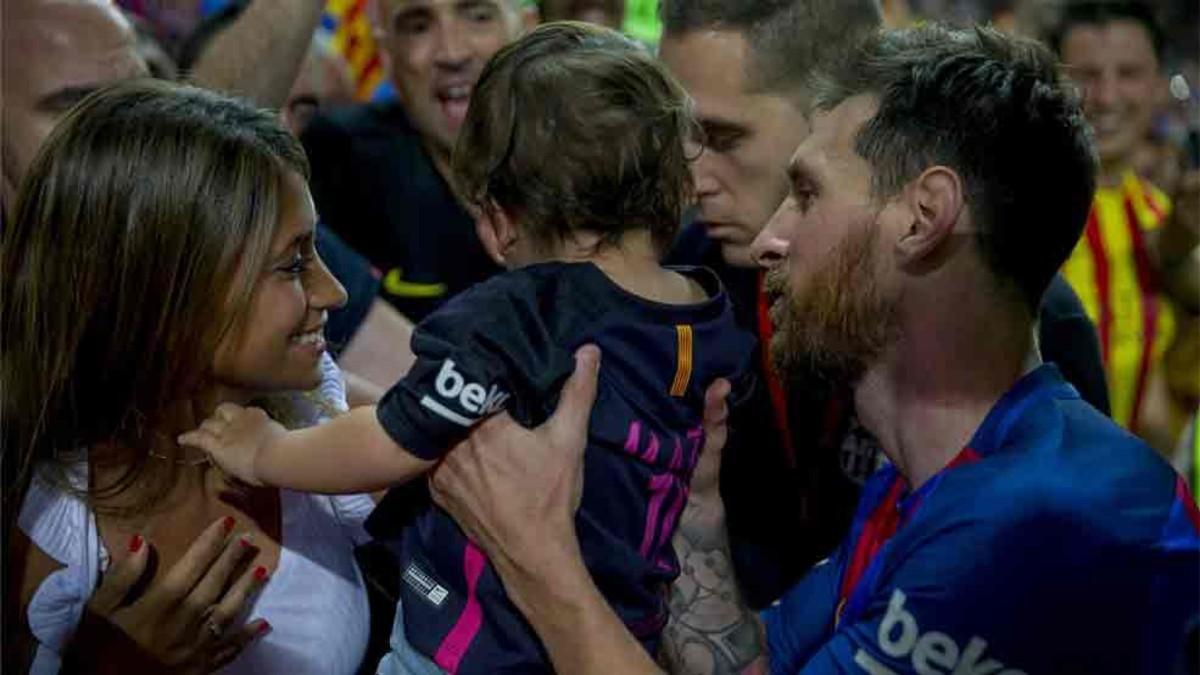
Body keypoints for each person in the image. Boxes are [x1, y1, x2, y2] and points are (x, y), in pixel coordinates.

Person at [428, 24, 1200, 674]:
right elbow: (754, 663)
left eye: (807, 194)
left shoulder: (1035, 519)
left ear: (922, 216)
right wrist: (691, 511)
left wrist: (534, 552)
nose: (770, 239)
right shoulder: (925, 482)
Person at [181, 23, 753, 674]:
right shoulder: (708, 319)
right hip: (624, 637)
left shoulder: (518, 318)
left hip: (473, 649)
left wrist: (267, 449)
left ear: (500, 222)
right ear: (680, 186)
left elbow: (394, 441)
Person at [656, 0, 1111, 610]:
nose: (692, 178)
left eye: (721, 137)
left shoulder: (1022, 319)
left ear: (834, 113)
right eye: (681, 139)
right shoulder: (686, 280)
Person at [4, 80, 376, 674]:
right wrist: (106, 665)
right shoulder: (42, 532)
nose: (334, 290)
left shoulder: (312, 408)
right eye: (293, 263)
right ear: (165, 294)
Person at [300, 0, 537, 322]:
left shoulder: (600, 159)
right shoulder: (335, 163)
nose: (452, 53)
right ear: (386, 56)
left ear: (529, 30)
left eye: (479, 17)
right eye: (418, 27)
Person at [1052, 0, 1199, 450]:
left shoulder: (1172, 218)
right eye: (1086, 76)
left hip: (1138, 499)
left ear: (1158, 85)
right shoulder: (1015, 212)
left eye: (1129, 74)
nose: (1107, 97)